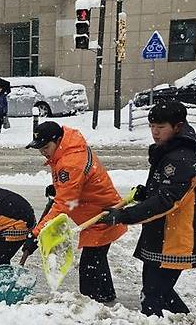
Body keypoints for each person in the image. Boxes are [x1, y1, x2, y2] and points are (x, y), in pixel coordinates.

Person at [98, 100, 196, 317]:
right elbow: (162, 191)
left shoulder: (179, 159)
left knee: (152, 295)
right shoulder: (170, 151)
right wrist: (145, 193)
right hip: (162, 233)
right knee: (160, 292)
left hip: (174, 237)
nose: (155, 133)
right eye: (152, 127)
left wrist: (123, 216)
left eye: (161, 127)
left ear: (178, 126)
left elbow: (167, 201)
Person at [21, 121, 127, 303]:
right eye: (40, 148)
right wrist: (59, 187)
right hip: (98, 212)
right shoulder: (70, 147)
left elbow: (64, 204)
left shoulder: (70, 162)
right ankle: (106, 297)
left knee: (89, 270)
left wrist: (36, 234)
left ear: (58, 140)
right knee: (97, 262)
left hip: (101, 216)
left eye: (46, 147)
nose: (43, 152)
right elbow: (73, 187)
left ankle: (94, 305)